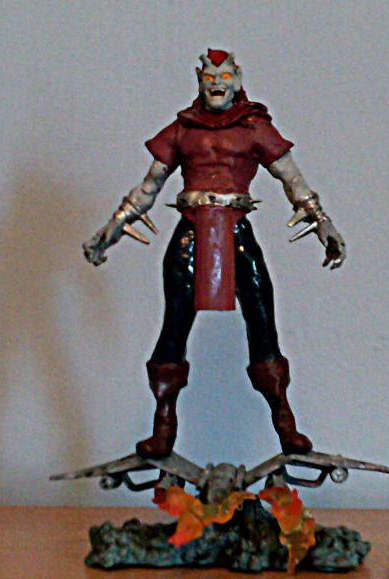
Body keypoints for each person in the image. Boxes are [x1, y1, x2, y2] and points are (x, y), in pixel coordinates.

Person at [83, 49, 346, 459]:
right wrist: (112, 228)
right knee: (174, 324)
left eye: (224, 77)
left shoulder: (254, 128)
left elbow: (291, 177)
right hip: (190, 233)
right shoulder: (183, 129)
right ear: (199, 80)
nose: (217, 84)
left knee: (262, 318)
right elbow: (150, 185)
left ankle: (284, 421)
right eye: (210, 77)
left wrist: (322, 222)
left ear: (237, 80)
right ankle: (163, 425)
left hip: (236, 231)